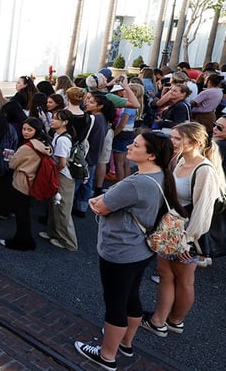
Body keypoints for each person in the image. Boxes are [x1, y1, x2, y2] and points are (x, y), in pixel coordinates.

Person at [74, 132, 177, 371]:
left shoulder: (137, 183)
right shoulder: (160, 176)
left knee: (115, 304)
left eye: (137, 145)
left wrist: (98, 203)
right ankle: (125, 344)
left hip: (121, 250)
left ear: (151, 155)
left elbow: (102, 206)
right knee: (130, 297)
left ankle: (106, 356)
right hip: (142, 249)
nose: (129, 146)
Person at [140, 122, 225, 338]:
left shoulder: (204, 170)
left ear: (194, 142)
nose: (173, 141)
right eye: (173, 137)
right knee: (165, 273)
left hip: (188, 236)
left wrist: (187, 241)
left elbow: (203, 211)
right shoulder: (179, 160)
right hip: (172, 229)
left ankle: (175, 320)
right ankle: (159, 320)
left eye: (178, 138)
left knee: (185, 280)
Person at [0, 118, 51, 251]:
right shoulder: (43, 145)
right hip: (32, 181)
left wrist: (12, 157)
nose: (25, 132)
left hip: (22, 182)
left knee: (21, 215)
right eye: (24, 129)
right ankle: (27, 240)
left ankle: (20, 242)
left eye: (29, 130)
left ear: (36, 131)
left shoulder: (26, 147)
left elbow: (12, 164)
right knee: (25, 214)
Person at [41, 110, 78, 251]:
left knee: (62, 209)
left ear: (65, 122)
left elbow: (61, 163)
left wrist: (52, 173)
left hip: (63, 176)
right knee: (54, 206)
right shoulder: (58, 135)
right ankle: (53, 232)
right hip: (61, 175)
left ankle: (69, 242)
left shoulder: (62, 140)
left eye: (56, 119)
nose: (52, 120)